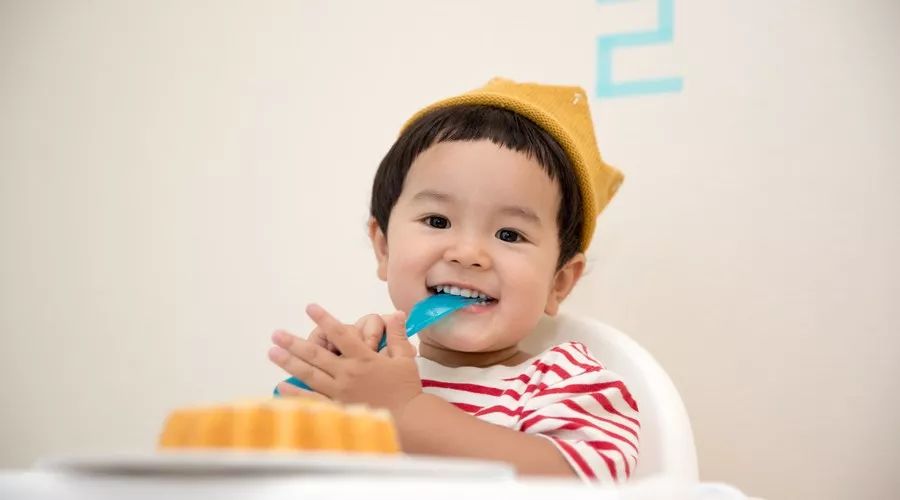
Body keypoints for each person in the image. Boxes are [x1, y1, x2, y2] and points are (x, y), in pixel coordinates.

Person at [268, 78, 639, 483]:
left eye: (509, 235)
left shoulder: (566, 381)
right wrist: (324, 400)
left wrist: (404, 413)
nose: (467, 253)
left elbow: (585, 483)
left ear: (559, 282)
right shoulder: (368, 377)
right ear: (384, 248)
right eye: (437, 221)